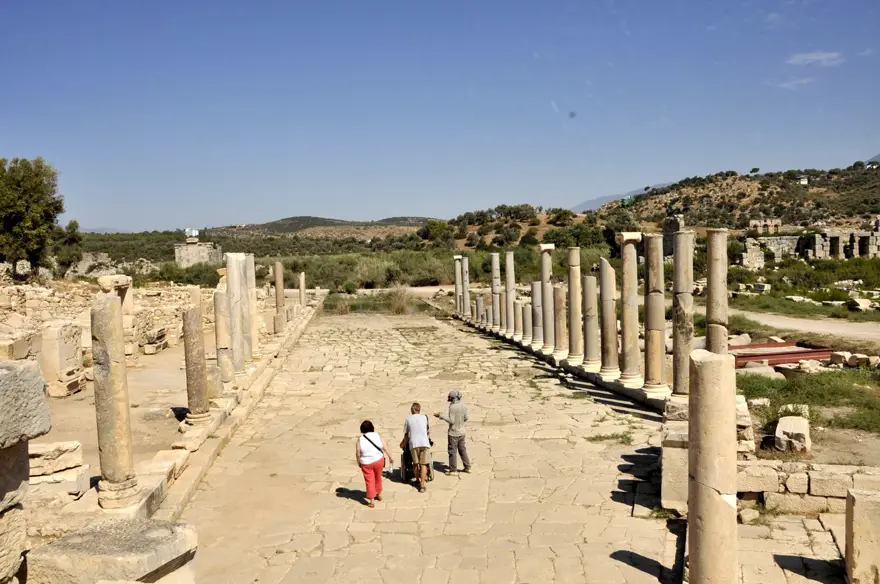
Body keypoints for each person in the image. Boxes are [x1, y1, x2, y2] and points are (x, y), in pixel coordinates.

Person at [356, 420, 393, 508]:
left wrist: (358, 462)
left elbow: (358, 453)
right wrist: (391, 457)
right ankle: (378, 493)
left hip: (366, 462)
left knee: (369, 480)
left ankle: (372, 500)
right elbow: (386, 448)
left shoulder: (360, 440)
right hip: (378, 460)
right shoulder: (378, 436)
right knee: (378, 477)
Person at [434, 390, 471, 474]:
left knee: (452, 451)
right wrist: (460, 421)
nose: (448, 398)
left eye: (449, 397)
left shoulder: (452, 407)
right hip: (462, 432)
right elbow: (466, 417)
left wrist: (441, 416)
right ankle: (467, 467)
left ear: (453, 398)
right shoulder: (463, 405)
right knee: (462, 450)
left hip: (454, 433)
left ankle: (453, 470)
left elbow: (451, 421)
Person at [401, 402, 431, 493]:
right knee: (424, 464)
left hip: (414, 443)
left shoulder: (408, 419)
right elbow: (427, 431)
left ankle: (417, 479)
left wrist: (402, 444)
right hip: (424, 443)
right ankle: (422, 485)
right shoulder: (425, 417)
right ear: (419, 410)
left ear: (412, 410)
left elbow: (406, 435)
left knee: (415, 463)